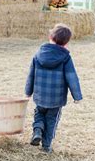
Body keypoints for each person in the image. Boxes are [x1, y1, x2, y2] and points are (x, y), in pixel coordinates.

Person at [25, 24, 82, 153]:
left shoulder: (38, 54)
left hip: (40, 95)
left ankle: (37, 130)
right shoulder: (65, 57)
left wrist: (28, 92)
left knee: (39, 114)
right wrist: (77, 96)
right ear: (66, 42)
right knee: (51, 120)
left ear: (50, 37)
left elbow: (31, 75)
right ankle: (46, 146)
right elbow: (71, 77)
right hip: (56, 98)